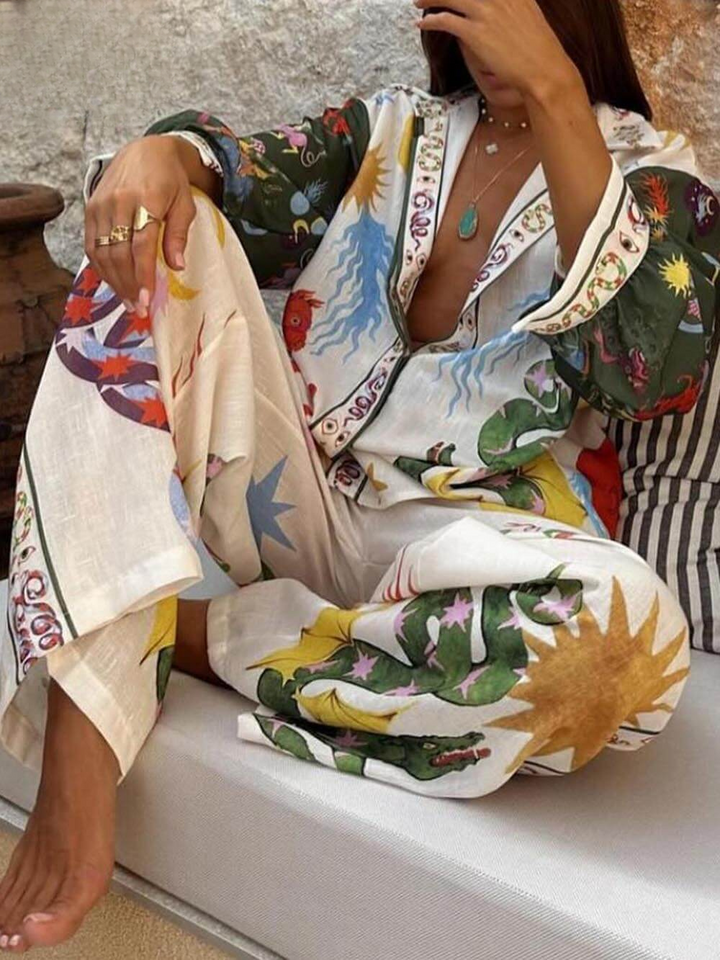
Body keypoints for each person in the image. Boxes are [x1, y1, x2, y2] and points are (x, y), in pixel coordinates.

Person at [1, 0, 719, 951]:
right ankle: (81, 752)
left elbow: (652, 372)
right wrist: (163, 157)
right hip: (289, 499)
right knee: (146, 232)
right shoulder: (390, 132)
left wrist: (553, 90)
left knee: (630, 641)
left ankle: (201, 634)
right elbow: (241, 177)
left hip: (468, 560)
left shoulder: (655, 177)